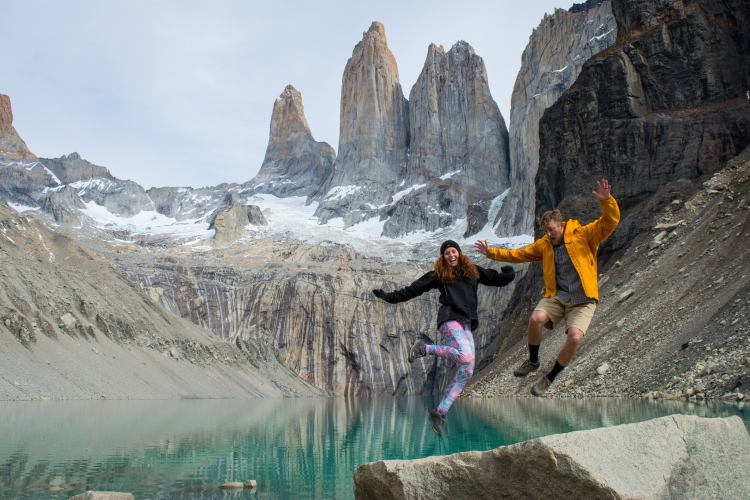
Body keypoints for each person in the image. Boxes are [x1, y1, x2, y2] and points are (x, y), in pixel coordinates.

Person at [474, 179, 619, 396]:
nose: (549, 235)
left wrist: (607, 202)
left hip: (584, 299)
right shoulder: (544, 245)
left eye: (551, 230)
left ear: (561, 225)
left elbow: (609, 222)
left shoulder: (584, 235)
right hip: (559, 296)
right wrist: (491, 253)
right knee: (535, 319)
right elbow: (519, 255)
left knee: (574, 338)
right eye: (545, 231)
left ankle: (549, 378)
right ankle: (533, 360)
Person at [372, 240, 515, 436]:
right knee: (465, 356)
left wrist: (508, 275)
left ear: (459, 253)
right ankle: (424, 349)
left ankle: (439, 413)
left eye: (453, 251)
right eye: (447, 253)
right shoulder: (438, 275)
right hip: (449, 320)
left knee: (467, 370)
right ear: (443, 257)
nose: (451, 255)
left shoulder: (473, 270)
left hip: (466, 323)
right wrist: (389, 297)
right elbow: (413, 289)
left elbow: (495, 279)